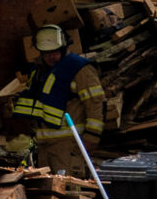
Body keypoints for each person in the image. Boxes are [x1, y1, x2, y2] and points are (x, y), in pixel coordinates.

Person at [10, 24, 106, 173]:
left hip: (68, 145)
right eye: (46, 53)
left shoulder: (79, 69)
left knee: (69, 191)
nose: (50, 56)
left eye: (55, 52)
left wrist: (92, 137)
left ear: (63, 48)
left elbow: (96, 103)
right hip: (43, 145)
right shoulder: (39, 71)